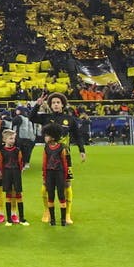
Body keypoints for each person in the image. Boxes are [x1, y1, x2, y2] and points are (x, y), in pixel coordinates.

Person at [31, 93, 86, 224]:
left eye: (58, 102)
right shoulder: (46, 118)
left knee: (67, 184)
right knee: (45, 185)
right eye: (53, 102)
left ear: (62, 104)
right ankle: (47, 212)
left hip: (65, 157)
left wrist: (82, 150)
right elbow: (31, 117)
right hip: (49, 157)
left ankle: (67, 214)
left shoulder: (70, 119)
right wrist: (37, 104)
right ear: (50, 105)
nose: (55, 104)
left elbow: (78, 135)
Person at [42, 124, 71, 227]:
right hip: (49, 174)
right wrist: (44, 177)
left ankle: (63, 219)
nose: (45, 137)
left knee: (61, 195)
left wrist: (66, 177)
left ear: (53, 137)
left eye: (47, 135)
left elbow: (65, 163)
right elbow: (44, 163)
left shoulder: (62, 148)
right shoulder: (46, 148)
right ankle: (52, 219)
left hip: (59, 174)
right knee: (51, 196)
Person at [0, 129, 28, 226]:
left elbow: (20, 162)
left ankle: (22, 218)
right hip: (7, 173)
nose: (13, 140)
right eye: (10, 138)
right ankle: (9, 219)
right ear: (4, 139)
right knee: (8, 194)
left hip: (16, 172)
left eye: (13, 138)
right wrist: (3, 173)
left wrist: (19, 171)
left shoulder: (17, 150)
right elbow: (0, 163)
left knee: (18, 194)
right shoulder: (2, 151)